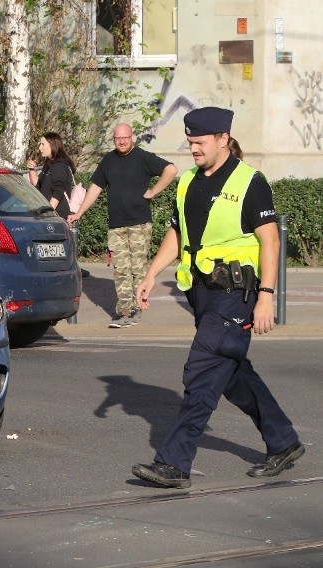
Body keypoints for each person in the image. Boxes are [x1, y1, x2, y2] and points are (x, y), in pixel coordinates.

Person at [131, 107, 304, 489]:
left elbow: (270, 240)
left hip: (236, 294)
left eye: (199, 142)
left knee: (202, 372)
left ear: (223, 139)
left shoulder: (249, 182)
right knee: (233, 374)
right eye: (190, 141)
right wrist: (149, 274)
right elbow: (179, 234)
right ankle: (284, 441)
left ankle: (174, 462)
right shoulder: (188, 181)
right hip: (201, 295)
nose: (192, 148)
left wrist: (266, 296)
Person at [68, 123, 178, 328]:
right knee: (121, 270)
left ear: (132, 137)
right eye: (118, 138)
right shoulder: (108, 160)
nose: (122, 141)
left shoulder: (143, 157)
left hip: (139, 224)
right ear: (114, 140)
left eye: (125, 137)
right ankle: (125, 311)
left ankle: (136, 309)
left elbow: (171, 170)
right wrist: (79, 213)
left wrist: (154, 192)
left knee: (137, 268)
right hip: (116, 226)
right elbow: (95, 188)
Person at [27, 132, 76, 218]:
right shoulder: (49, 164)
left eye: (43, 144)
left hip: (57, 216)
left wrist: (47, 212)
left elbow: (58, 192)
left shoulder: (59, 165)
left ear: (52, 145)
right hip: (49, 215)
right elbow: (38, 185)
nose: (40, 148)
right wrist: (32, 169)